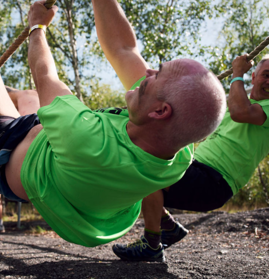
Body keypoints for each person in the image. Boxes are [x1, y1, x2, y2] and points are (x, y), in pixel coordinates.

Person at [0, 0, 225, 247]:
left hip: (6, 153)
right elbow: (124, 49)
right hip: (51, 146)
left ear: (160, 110)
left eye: (158, 75)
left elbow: (44, 73)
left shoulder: (87, 138)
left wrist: (37, 26)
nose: (149, 72)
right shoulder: (178, 151)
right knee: (28, 97)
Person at [112, 53, 269, 261]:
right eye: (266, 75)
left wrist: (237, 73)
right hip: (197, 167)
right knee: (141, 160)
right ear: (255, 76)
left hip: (215, 181)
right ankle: (168, 228)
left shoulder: (253, 108)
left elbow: (241, 112)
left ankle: (152, 243)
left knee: (148, 170)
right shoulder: (238, 101)